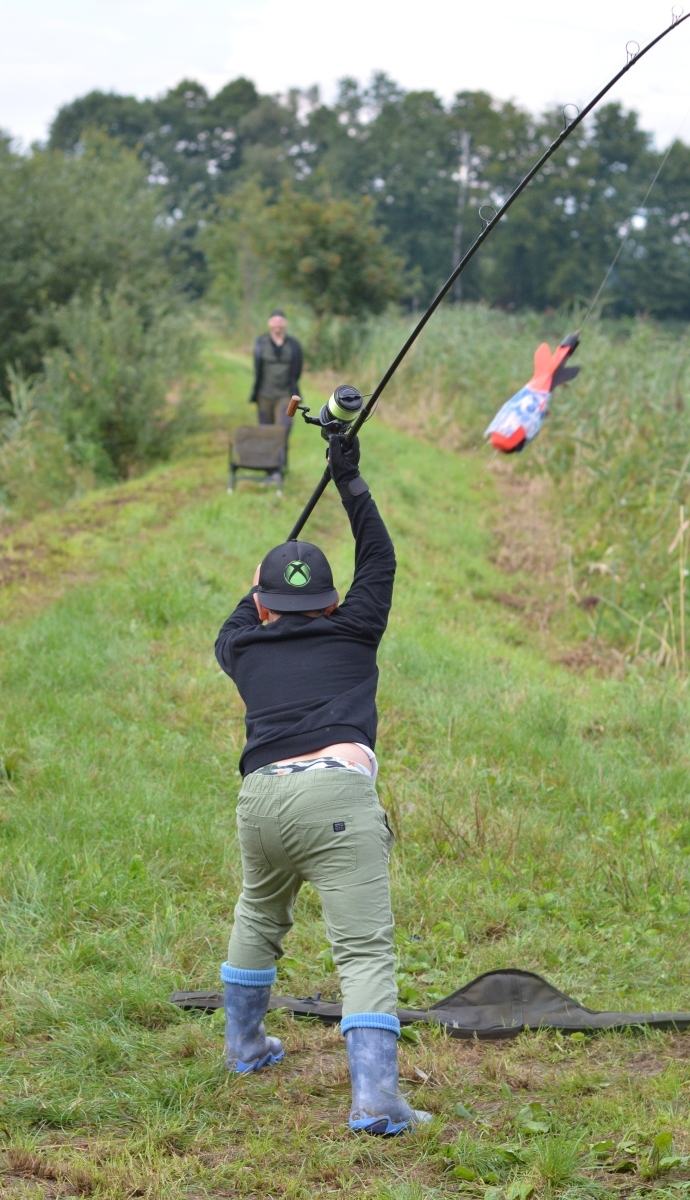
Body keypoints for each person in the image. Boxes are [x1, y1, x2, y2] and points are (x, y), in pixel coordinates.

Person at [214, 435, 430, 1136]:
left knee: (258, 915)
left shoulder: (243, 647)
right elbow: (381, 560)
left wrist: (261, 581)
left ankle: (245, 1048)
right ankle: (374, 1102)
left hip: (262, 799)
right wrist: (350, 480)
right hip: (336, 796)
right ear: (333, 603)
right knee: (363, 951)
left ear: (265, 604)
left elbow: (240, 616)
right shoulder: (356, 629)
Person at [249, 310, 303, 429]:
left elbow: (298, 369)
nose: (277, 324)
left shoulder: (294, 344)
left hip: (286, 394)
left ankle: (282, 448)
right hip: (264, 395)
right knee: (266, 430)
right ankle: (269, 448)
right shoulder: (261, 342)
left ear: (285, 323)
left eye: (280, 321)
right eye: (274, 321)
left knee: (283, 428)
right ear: (269, 323)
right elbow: (257, 367)